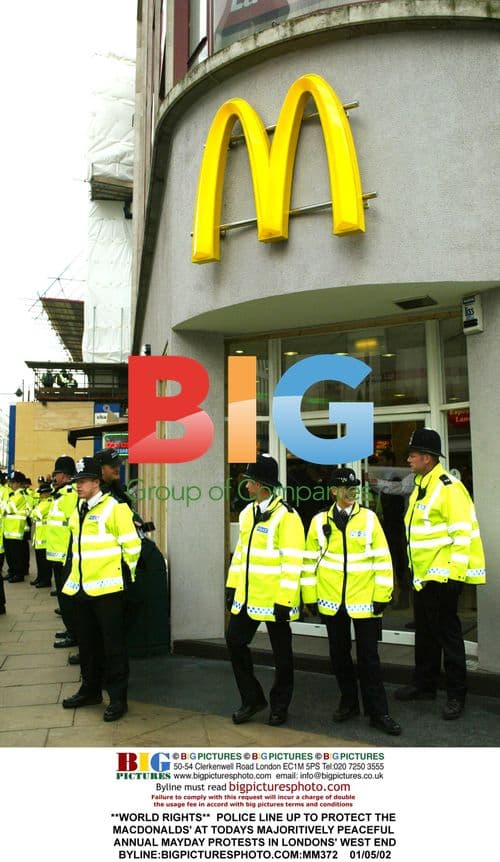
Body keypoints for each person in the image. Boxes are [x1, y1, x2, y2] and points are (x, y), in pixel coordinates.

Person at [395, 428, 486, 720]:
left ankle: (456, 694)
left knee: (448, 635)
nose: (408, 458)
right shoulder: (423, 484)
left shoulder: (449, 487)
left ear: (428, 457)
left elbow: (463, 534)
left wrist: (455, 575)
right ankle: (425, 685)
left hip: (444, 576)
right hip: (423, 576)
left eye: (413, 454)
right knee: (425, 633)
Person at [304, 467, 401, 736]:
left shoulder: (369, 519)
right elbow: (308, 562)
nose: (351, 492)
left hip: (365, 601)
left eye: (354, 488)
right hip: (332, 601)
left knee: (369, 658)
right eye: (346, 488)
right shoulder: (318, 521)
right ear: (334, 491)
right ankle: (349, 703)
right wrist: (310, 596)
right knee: (339, 655)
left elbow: (383, 559)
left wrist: (382, 596)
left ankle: (378, 712)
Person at [225, 454, 306, 727]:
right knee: (235, 641)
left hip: (275, 600)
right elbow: (241, 554)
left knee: (282, 655)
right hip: (247, 597)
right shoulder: (248, 513)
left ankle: (280, 705)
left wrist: (285, 600)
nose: (245, 486)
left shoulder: (288, 516)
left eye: (249, 481)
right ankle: (252, 699)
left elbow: (293, 561)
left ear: (262, 485)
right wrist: (232, 586)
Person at [61, 457, 141, 721]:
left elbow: (133, 547)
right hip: (82, 590)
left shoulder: (115, 509)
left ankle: (118, 698)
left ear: (97, 482)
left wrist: (125, 580)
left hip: (109, 591)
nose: (78, 486)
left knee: (113, 647)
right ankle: (90, 690)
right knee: (87, 644)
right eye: (77, 482)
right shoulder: (78, 510)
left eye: (82, 482)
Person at [368, 449, 413, 609]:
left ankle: (403, 596)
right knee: (389, 562)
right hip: (387, 525)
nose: (379, 463)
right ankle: (391, 595)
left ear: (389, 461)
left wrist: (376, 482)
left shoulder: (398, 479)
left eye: (382, 460)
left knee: (399, 562)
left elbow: (397, 488)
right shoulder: (386, 479)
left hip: (397, 527)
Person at [46, 455, 78, 649]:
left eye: (56, 473)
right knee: (63, 598)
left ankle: (74, 634)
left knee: (68, 599)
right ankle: (70, 629)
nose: (54, 477)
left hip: (65, 555)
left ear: (65, 475)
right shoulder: (60, 493)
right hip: (57, 554)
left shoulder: (70, 494)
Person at [3, 471, 30, 582]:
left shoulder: (20, 496)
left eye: (13, 482)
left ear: (19, 483)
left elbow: (8, 509)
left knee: (16, 554)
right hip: (9, 529)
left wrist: (3, 505)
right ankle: (12, 571)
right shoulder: (13, 495)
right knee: (10, 554)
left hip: (16, 529)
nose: (11, 484)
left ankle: (18, 574)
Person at [30, 481, 54, 588]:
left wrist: (34, 513)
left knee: (44, 562)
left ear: (47, 493)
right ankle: (40, 577)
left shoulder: (47, 502)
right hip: (39, 536)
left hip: (44, 536)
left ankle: (45, 580)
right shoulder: (42, 503)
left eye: (42, 493)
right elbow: (33, 514)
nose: (40, 495)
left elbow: (35, 514)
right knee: (39, 561)